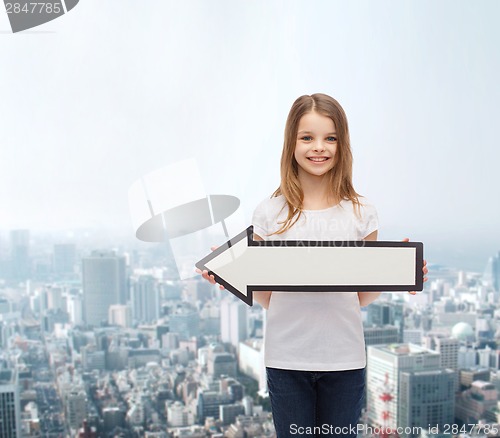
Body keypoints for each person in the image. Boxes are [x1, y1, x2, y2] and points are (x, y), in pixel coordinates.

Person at [197, 93, 428, 437]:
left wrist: (398, 272)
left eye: (330, 138)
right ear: (291, 143)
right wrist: (231, 273)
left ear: (342, 143)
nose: (319, 147)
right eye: (307, 137)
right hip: (285, 360)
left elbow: (361, 296)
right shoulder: (269, 212)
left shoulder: (361, 212)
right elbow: (267, 296)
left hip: (345, 360)